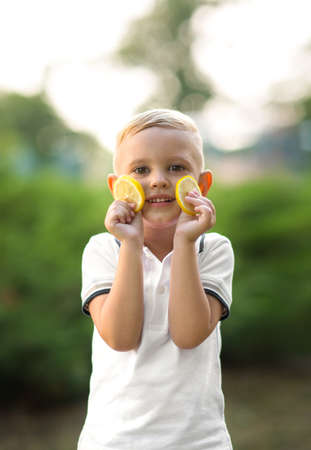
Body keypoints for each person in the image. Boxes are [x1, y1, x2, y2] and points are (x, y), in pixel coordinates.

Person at [78, 109, 234, 450]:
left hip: (198, 441)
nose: (159, 180)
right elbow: (119, 337)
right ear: (116, 186)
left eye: (176, 167)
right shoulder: (103, 249)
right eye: (141, 169)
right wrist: (131, 244)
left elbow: (189, 334)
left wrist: (185, 242)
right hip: (113, 441)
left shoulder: (213, 248)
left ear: (203, 184)